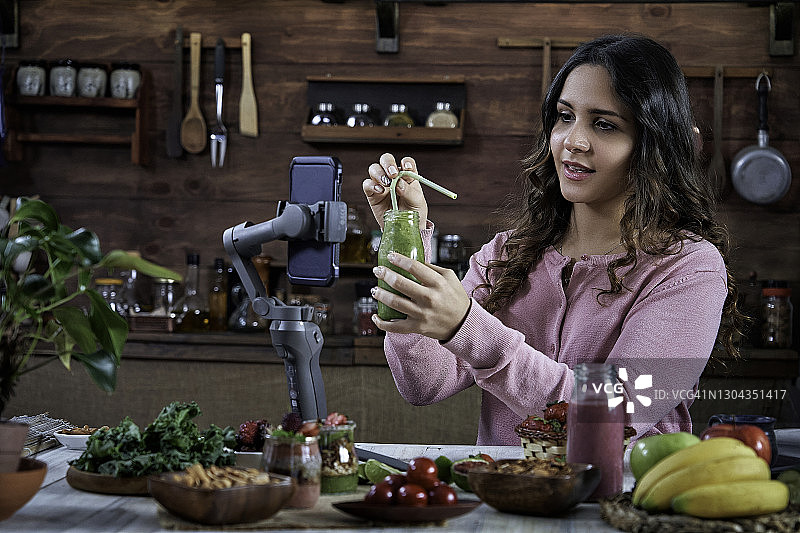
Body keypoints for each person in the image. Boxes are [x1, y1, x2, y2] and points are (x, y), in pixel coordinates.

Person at [361, 34, 743, 445]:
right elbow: (425, 385)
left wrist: (468, 326)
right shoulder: (509, 253)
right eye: (564, 116)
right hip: (509, 498)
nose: (572, 141)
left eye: (604, 124)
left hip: (622, 501)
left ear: (653, 144)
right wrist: (405, 237)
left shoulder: (687, 270)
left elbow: (611, 414)